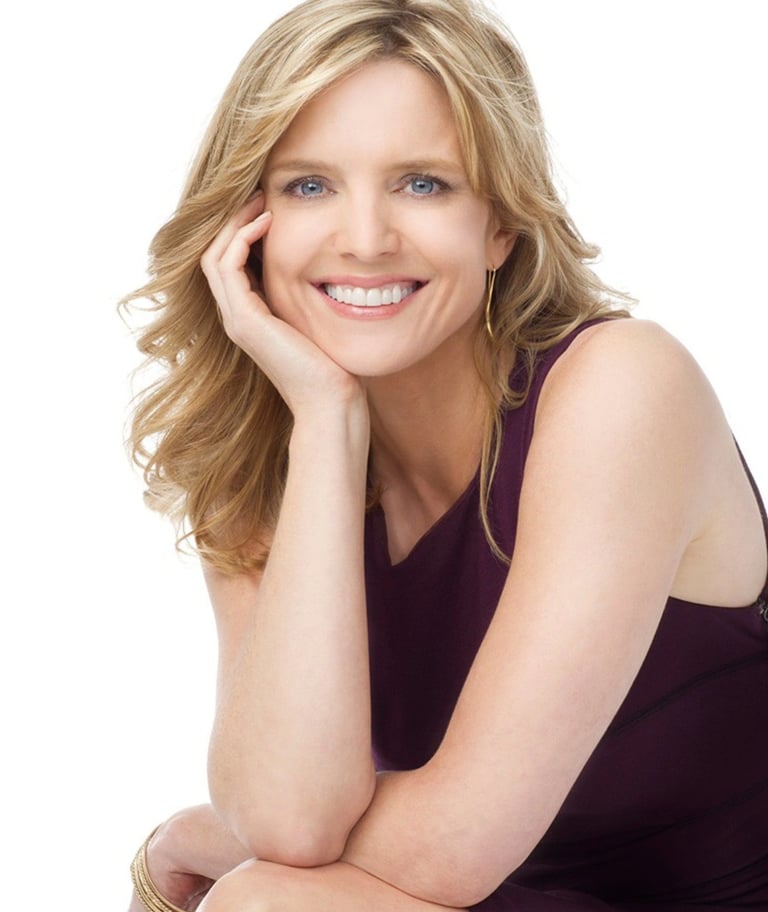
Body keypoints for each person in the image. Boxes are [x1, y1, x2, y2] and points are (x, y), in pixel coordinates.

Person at [123, 1, 768, 909]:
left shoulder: (622, 389)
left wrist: (200, 834)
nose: (365, 238)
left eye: (422, 184)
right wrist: (325, 417)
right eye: (308, 186)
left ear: (499, 224)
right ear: (244, 227)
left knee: (261, 899)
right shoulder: (266, 464)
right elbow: (292, 818)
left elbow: (450, 851)